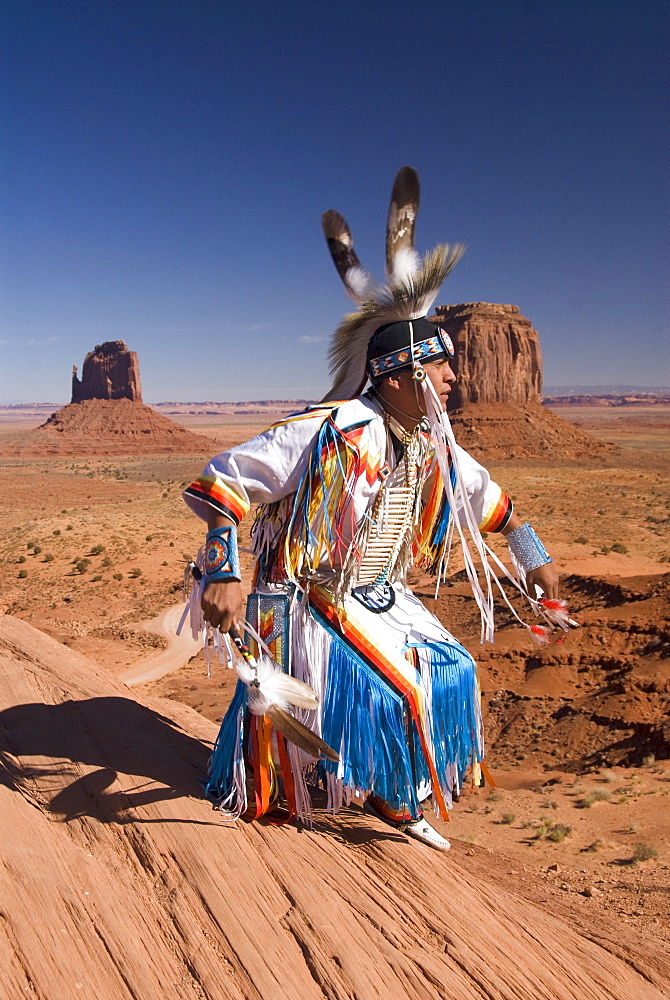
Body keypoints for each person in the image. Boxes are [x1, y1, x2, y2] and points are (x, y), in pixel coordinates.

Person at [182, 167, 560, 850]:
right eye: (442, 367)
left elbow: (490, 501)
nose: (455, 378)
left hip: (376, 593)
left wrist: (534, 558)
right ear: (406, 371)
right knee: (397, 694)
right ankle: (359, 788)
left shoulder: (430, 440)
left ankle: (380, 781)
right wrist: (221, 570)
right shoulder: (330, 430)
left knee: (451, 669)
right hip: (300, 593)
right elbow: (224, 480)